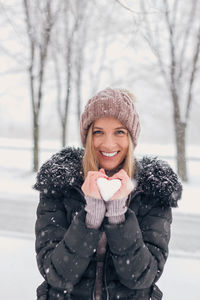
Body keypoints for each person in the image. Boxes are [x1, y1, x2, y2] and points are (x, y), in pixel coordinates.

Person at [34, 87, 182, 300]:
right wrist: (90, 219)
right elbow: (56, 274)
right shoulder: (60, 186)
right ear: (87, 136)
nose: (108, 143)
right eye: (98, 132)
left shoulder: (151, 191)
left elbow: (142, 276)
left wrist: (118, 217)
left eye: (119, 132)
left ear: (131, 137)